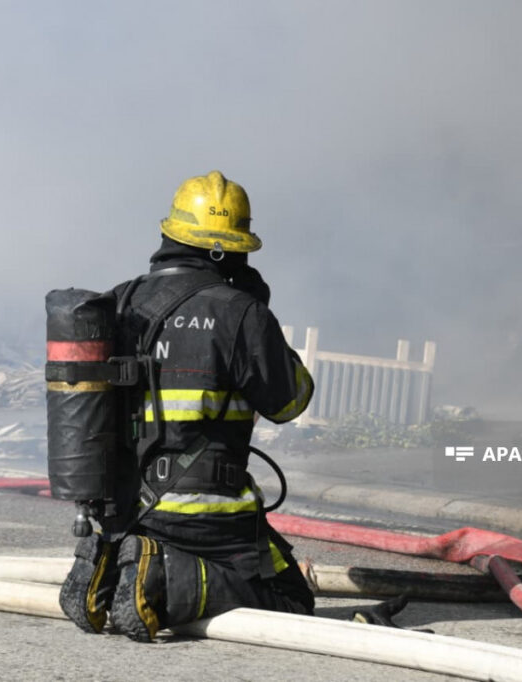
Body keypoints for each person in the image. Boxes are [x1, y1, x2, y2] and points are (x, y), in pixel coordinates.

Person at [59, 170, 315, 642]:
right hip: (204, 517)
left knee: (142, 539)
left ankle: (107, 561)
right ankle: (163, 578)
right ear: (224, 252)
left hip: (123, 510)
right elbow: (290, 402)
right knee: (291, 597)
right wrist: (258, 313)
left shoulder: (119, 301)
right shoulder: (239, 312)